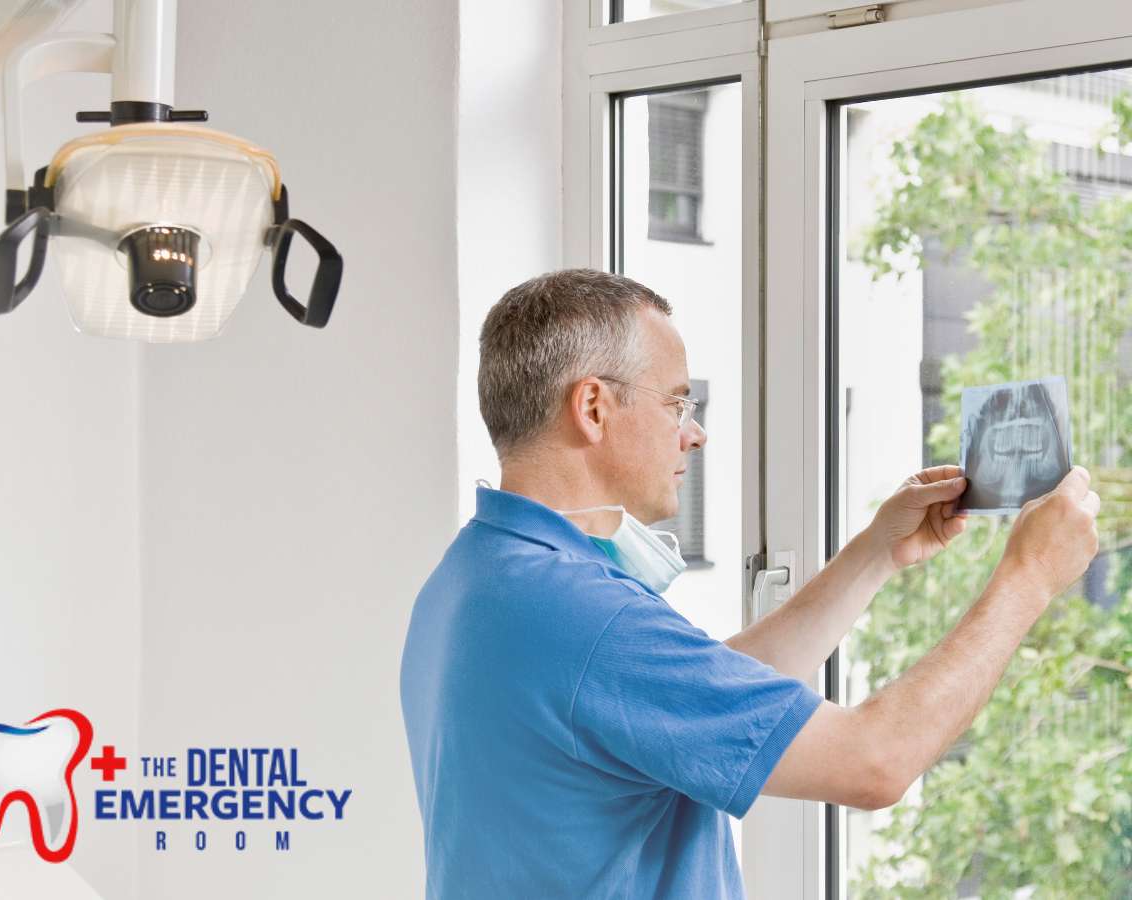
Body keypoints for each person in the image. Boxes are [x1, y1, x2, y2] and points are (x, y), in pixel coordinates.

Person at [399, 268, 1100, 899]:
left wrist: (875, 554)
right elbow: (873, 763)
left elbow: (699, 697)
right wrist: (1029, 577)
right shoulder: (586, 618)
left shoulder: (477, 576)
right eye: (677, 404)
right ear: (592, 408)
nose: (693, 433)